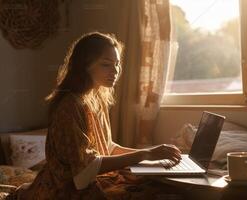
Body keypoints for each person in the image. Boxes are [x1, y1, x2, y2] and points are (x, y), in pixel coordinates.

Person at [8, 32, 182, 200]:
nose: (115, 70)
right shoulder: (69, 107)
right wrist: (145, 155)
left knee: (162, 185)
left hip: (86, 181)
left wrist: (154, 155)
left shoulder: (97, 98)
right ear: (84, 65)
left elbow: (107, 147)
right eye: (106, 64)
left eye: (117, 63)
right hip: (63, 190)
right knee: (153, 192)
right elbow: (85, 170)